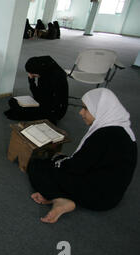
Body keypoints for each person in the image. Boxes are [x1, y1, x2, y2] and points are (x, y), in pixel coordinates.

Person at [27, 88, 137, 224]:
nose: (81, 112)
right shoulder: (122, 129)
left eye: (85, 108)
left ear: (100, 109)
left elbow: (75, 167)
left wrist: (57, 159)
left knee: (37, 164)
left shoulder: (103, 136)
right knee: (58, 163)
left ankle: (58, 198)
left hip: (96, 198)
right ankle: (59, 196)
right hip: (112, 196)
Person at [4, 56, 68, 124]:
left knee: (18, 110)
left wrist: (52, 116)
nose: (30, 75)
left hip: (52, 110)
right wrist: (31, 80)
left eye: (32, 74)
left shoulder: (57, 78)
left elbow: (59, 103)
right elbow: (38, 95)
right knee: (12, 101)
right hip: (43, 101)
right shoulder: (44, 72)